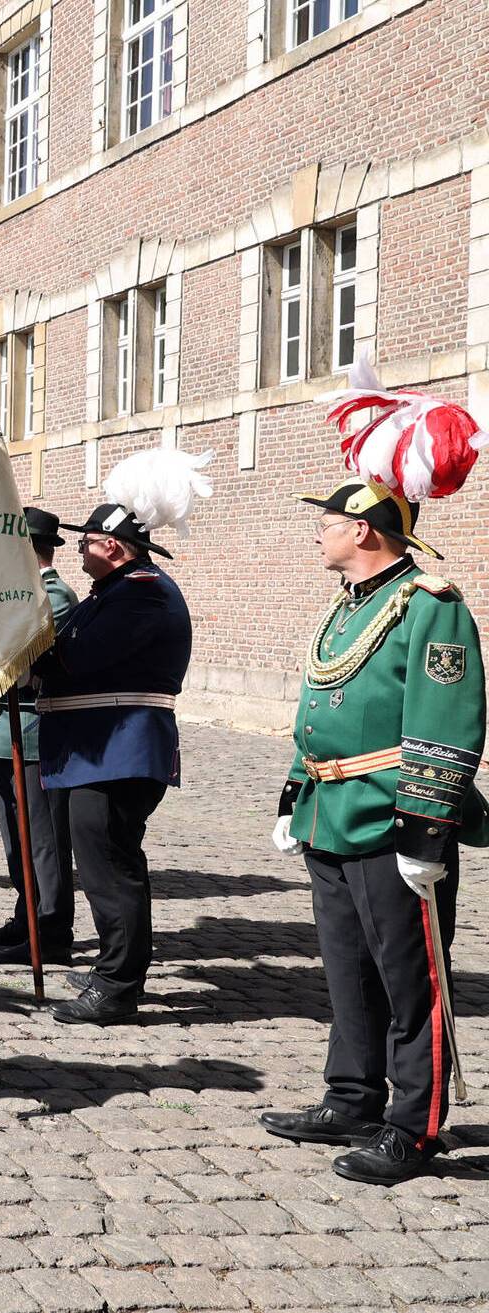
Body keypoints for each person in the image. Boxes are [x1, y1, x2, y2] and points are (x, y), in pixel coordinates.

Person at [261, 478, 481, 1184]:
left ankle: (416, 1126)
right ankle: (353, 1095)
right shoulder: (347, 607)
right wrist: (295, 792)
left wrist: (427, 829)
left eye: (326, 522)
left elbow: (444, 721)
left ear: (363, 529)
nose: (317, 533)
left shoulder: (429, 607)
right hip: (330, 814)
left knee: (411, 982)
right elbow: (323, 706)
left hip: (392, 818)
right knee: (349, 971)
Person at [38, 492, 195, 1024]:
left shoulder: (140, 595)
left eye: (86, 542)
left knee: (112, 870)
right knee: (105, 866)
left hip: (117, 750)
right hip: (100, 749)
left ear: (114, 546)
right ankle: (115, 966)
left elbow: (75, 659)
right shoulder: (115, 591)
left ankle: (118, 986)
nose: (79, 549)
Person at [0, 507, 79, 964]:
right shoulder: (16, 594)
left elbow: (22, 658)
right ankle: (26, 915)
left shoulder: (54, 596)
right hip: (0, 731)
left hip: (34, 731)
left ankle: (51, 928)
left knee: (43, 838)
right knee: (16, 837)